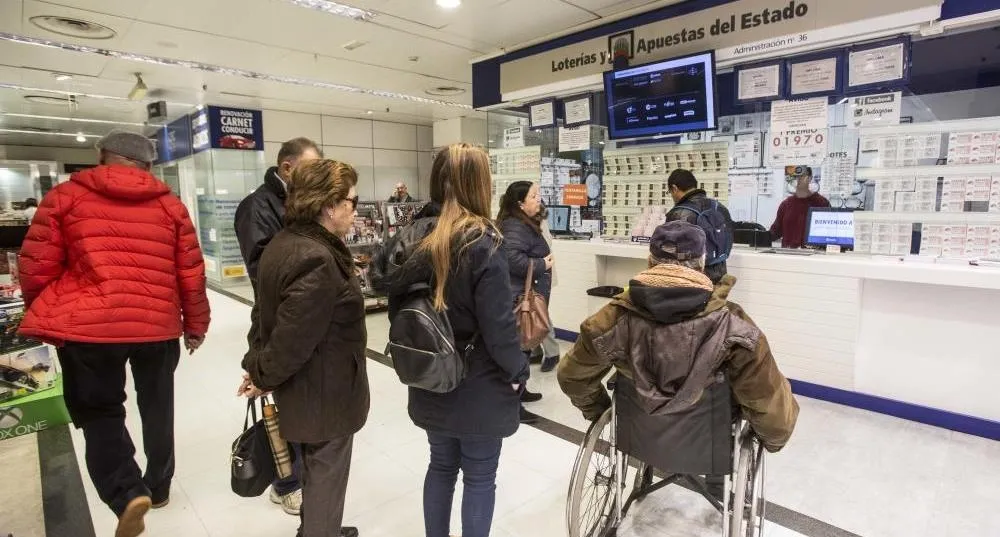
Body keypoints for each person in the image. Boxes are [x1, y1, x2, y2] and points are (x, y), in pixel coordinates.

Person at [17, 131, 210, 537]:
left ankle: (126, 491)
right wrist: (195, 325)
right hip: (156, 327)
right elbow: (191, 274)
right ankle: (158, 487)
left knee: (100, 411)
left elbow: (36, 264)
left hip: (89, 330)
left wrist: (47, 311)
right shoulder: (170, 206)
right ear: (148, 166)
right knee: (159, 405)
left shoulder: (65, 197)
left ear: (102, 157)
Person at [376, 144, 529, 537]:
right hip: (479, 383)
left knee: (440, 465)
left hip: (429, 375)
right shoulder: (484, 243)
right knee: (480, 476)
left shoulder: (411, 237)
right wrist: (517, 372)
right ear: (479, 184)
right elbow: (499, 330)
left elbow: (397, 312)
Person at [557, 220, 799, 453]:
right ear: (703, 262)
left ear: (650, 261)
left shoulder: (611, 320)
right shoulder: (735, 326)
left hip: (639, 436)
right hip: (709, 446)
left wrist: (598, 409)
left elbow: (572, 376)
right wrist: (772, 442)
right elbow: (770, 406)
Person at [239, 159, 369, 537]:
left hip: (309, 389)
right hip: (325, 393)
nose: (354, 210)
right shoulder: (317, 257)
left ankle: (315, 527)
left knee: (314, 472)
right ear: (330, 206)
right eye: (352, 202)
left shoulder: (285, 243)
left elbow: (264, 317)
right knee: (325, 477)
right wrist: (262, 374)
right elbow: (292, 338)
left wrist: (257, 367)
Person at [234, 136, 322, 515]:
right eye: (311, 166)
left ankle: (295, 474)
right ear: (288, 167)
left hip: (300, 316)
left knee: (298, 400)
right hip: (276, 318)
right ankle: (285, 481)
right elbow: (263, 269)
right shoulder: (257, 206)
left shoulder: (300, 202)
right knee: (277, 400)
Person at [497, 181, 553, 422]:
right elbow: (512, 259)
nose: (538, 199)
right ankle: (512, 404)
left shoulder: (524, 223)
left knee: (524, 347)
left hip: (525, 295)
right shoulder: (514, 226)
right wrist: (543, 264)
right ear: (520, 204)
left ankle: (521, 391)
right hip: (519, 300)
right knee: (518, 350)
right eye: (533, 196)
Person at [665, 168, 733, 283]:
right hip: (720, 274)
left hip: (691, 279)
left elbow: (668, 252)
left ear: (674, 188)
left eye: (670, 192)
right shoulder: (719, 207)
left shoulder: (678, 213)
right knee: (716, 301)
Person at [529, 205, 561, 370]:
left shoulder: (537, 216)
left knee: (540, 314)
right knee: (527, 314)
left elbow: (546, 242)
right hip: (526, 273)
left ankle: (552, 353)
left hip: (540, 273)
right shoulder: (516, 219)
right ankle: (535, 351)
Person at [770, 166, 830, 249]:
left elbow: (829, 234)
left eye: (801, 176)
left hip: (813, 256)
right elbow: (775, 232)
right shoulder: (786, 204)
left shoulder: (822, 203)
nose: (798, 179)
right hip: (788, 255)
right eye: (795, 176)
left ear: (809, 178)